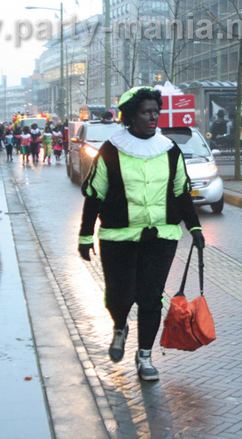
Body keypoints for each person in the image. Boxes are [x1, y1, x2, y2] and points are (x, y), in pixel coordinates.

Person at [77, 86, 205, 382]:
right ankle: (120, 326)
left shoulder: (170, 149)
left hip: (161, 237)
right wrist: (85, 236)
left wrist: (194, 227)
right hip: (118, 238)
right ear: (130, 116)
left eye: (155, 112)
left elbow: (181, 192)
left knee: (151, 298)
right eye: (147, 112)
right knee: (119, 297)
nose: (153, 117)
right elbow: (95, 195)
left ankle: (144, 356)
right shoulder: (111, 150)